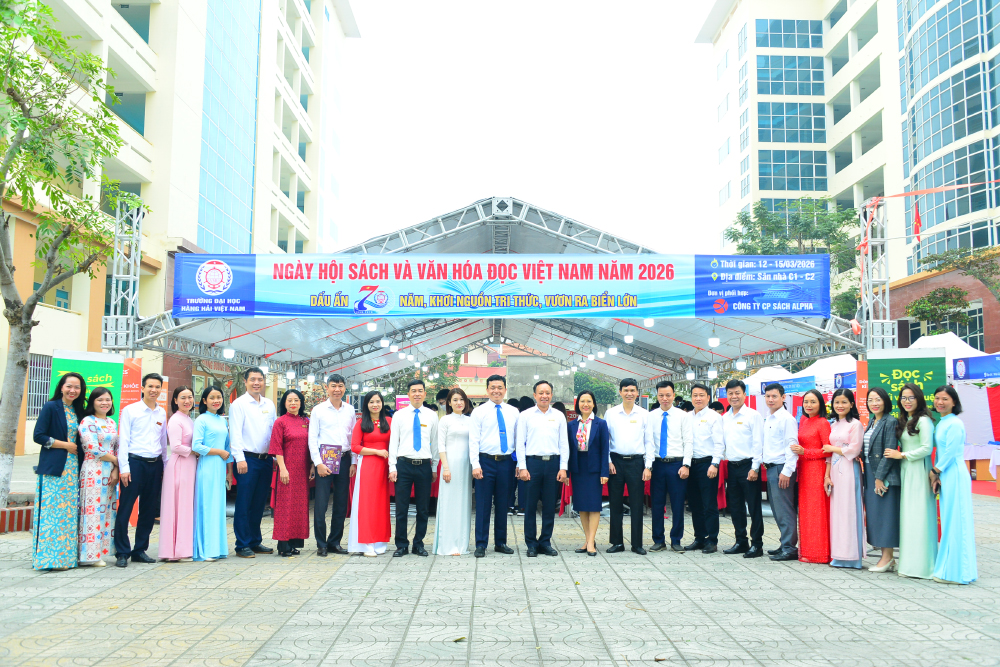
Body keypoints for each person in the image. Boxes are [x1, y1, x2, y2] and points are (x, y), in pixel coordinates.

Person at [32, 372, 86, 571]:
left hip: (73, 468)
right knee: (51, 514)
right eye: (69, 386)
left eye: (77, 387)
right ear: (61, 387)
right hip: (54, 468)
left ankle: (66, 559)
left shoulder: (78, 411)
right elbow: (38, 436)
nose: (73, 390)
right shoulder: (51, 406)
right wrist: (65, 445)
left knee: (68, 513)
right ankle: (49, 559)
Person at [883, 383, 936, 579]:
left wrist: (902, 455)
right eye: (903, 398)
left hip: (918, 471)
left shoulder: (924, 421)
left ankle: (922, 567)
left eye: (911, 397)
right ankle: (909, 565)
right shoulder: (906, 420)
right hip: (906, 471)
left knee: (918, 517)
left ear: (919, 399)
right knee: (908, 518)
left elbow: (927, 448)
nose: (907, 401)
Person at [115, 373, 168, 568]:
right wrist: (124, 468)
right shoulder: (130, 410)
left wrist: (164, 466)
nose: (154, 390)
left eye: (157, 387)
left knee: (148, 510)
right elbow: (124, 440)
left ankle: (139, 550)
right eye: (150, 386)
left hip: (155, 464)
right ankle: (122, 552)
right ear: (143, 388)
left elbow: (163, 442)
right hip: (134, 463)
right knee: (126, 508)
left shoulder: (161, 413)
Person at [930, 385, 978, 585]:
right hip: (946, 474)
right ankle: (951, 568)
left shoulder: (955, 423)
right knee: (949, 520)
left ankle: (958, 572)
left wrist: (935, 470)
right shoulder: (943, 422)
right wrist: (938, 474)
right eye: (937, 398)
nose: (940, 402)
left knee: (957, 520)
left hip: (955, 474)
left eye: (945, 399)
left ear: (954, 402)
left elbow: (951, 452)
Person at [517, 380, 570, 557]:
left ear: (551, 395)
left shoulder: (559, 416)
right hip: (532, 463)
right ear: (535, 395)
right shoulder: (525, 415)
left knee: (549, 505)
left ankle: (545, 542)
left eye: (547, 393)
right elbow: (520, 443)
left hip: (553, 464)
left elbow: (564, 443)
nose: (544, 396)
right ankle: (531, 544)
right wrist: (522, 467)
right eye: (541, 393)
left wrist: (563, 468)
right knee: (530, 505)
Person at [389, 378, 440, 557]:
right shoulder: (399, 415)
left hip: (424, 466)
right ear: (408, 394)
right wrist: (392, 467)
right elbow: (393, 442)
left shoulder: (432, 415)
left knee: (423, 508)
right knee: (401, 508)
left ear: (425, 393)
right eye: (413, 391)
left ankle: (419, 544)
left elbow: (435, 443)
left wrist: (434, 467)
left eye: (420, 391)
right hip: (403, 465)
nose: (417, 394)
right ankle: (401, 544)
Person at [470, 375, 520, 557]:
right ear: (487, 390)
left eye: (499, 387)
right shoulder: (479, 412)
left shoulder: (514, 412)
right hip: (485, 462)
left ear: (505, 389)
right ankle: (481, 544)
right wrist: (475, 464)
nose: (496, 391)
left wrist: (519, 463)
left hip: (507, 463)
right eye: (492, 387)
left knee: (502, 504)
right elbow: (473, 440)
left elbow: (519, 439)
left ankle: (500, 542)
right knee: (483, 504)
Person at [308, 374, 357, 556]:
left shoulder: (350, 410)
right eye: (334, 386)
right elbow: (312, 439)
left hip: (344, 458)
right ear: (327, 388)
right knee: (321, 504)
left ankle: (334, 542)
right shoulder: (318, 410)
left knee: (341, 503)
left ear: (345, 388)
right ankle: (321, 543)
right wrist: (318, 463)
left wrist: (353, 461)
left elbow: (353, 437)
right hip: (325, 459)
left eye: (340, 386)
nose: (337, 389)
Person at [229, 367, 277, 558]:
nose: (256, 383)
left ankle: (255, 541)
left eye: (260, 379)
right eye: (253, 379)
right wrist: (239, 459)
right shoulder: (239, 404)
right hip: (247, 460)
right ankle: (242, 544)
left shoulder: (269, 404)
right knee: (244, 503)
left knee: (259, 503)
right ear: (245, 381)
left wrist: (275, 457)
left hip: (266, 460)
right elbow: (235, 433)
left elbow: (273, 432)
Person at [604, 378, 653, 555]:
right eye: (626, 390)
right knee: (615, 503)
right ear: (620, 392)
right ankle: (617, 542)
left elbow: (649, 441)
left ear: (637, 393)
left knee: (637, 504)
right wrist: (608, 461)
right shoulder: (611, 413)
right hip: (615, 462)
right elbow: (605, 440)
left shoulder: (644, 414)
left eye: (632, 390)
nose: (629, 393)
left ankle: (637, 544)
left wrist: (648, 466)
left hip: (637, 463)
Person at [720, 379, 765, 558]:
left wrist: (755, 468)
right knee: (736, 506)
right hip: (732, 466)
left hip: (749, 466)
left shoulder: (753, 415)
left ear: (744, 394)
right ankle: (741, 541)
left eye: (737, 393)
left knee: (754, 506)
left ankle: (757, 544)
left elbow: (758, 443)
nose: (734, 396)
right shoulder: (725, 418)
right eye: (730, 393)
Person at [647, 380, 692, 552]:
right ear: (657, 396)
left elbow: (688, 441)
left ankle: (676, 539)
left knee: (677, 504)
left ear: (673, 395)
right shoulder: (651, 416)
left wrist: (686, 464)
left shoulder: (683, 416)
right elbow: (649, 442)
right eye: (661, 395)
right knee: (657, 504)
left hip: (676, 464)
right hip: (657, 464)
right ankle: (658, 540)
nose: (664, 398)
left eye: (668, 395)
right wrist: (648, 466)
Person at [348, 390, 393, 556]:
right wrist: (376, 451)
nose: (375, 405)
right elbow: (354, 446)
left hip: (385, 467)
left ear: (382, 403)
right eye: (371, 402)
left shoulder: (389, 421)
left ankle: (379, 542)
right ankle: (366, 544)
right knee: (367, 504)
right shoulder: (361, 423)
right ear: (366, 405)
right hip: (368, 466)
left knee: (381, 505)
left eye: (378, 401)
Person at [78, 387, 119, 567]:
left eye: (107, 399)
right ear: (92, 402)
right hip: (93, 471)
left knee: (106, 512)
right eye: (100, 399)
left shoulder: (111, 422)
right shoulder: (87, 421)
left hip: (110, 472)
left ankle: (101, 552)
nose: (104, 403)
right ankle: (89, 555)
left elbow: (116, 446)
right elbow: (92, 448)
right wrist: (116, 461)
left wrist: (116, 469)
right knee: (92, 512)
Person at [270, 389, 313, 557]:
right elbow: (276, 447)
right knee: (285, 506)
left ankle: (295, 543)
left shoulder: (306, 421)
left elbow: (311, 445)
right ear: (284, 403)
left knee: (299, 507)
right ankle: (283, 545)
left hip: (303, 470)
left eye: (296, 400)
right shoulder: (280, 422)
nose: (293, 403)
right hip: (287, 470)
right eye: (289, 400)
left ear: (301, 403)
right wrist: (282, 468)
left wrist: (311, 465)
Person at [861, 387, 900, 572]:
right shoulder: (872, 421)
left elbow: (889, 452)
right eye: (870, 400)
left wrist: (879, 477)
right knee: (876, 516)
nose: (874, 403)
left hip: (883, 475)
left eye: (878, 399)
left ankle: (887, 557)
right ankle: (887, 558)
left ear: (885, 401)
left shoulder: (890, 421)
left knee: (885, 516)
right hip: (869, 473)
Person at [192, 386, 233, 561]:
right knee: (208, 507)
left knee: (218, 508)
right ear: (204, 401)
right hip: (207, 467)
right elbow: (196, 446)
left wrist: (229, 472)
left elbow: (228, 447)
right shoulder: (201, 420)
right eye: (212, 397)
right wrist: (218, 452)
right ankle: (206, 550)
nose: (216, 400)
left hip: (221, 468)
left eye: (219, 397)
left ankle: (219, 548)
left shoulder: (222, 420)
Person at [791, 389, 832, 564]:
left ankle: (820, 553)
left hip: (817, 469)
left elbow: (827, 450)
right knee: (806, 512)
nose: (809, 405)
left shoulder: (823, 423)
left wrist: (805, 452)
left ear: (820, 404)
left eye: (813, 402)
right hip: (804, 470)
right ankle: (807, 550)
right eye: (806, 401)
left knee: (817, 511)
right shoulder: (803, 420)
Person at [825, 388, 864, 569]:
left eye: (844, 402)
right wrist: (826, 475)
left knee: (849, 510)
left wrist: (833, 449)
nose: (840, 406)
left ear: (851, 404)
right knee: (837, 512)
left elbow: (855, 449)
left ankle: (852, 556)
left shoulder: (855, 425)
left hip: (848, 470)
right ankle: (838, 554)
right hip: (834, 470)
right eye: (837, 402)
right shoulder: (833, 425)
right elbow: (827, 454)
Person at [567, 390, 609, 556]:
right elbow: (568, 449)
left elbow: (605, 449)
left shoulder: (601, 424)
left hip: (594, 469)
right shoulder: (571, 425)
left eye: (589, 401)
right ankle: (587, 539)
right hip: (578, 469)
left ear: (593, 404)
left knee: (594, 506)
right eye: (582, 401)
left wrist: (604, 472)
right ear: (578, 404)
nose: (585, 404)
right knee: (581, 506)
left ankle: (591, 542)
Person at [761, 383, 800, 561]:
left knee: (784, 509)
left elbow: (791, 446)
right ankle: (784, 543)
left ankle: (789, 547)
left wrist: (787, 471)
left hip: (781, 468)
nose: (770, 400)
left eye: (774, 396)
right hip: (771, 468)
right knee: (777, 509)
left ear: (783, 398)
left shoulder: (786, 419)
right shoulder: (769, 417)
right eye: (768, 396)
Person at [433, 387, 474, 555]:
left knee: (463, 504)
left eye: (461, 399)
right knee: (449, 503)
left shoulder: (470, 420)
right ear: (449, 403)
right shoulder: (445, 420)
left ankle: (461, 544)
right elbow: (441, 446)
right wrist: (446, 468)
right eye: (455, 400)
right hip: (450, 466)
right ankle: (447, 544)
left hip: (466, 466)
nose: (459, 403)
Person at [159, 386, 197, 562]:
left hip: (188, 464)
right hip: (180, 465)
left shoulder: (188, 419)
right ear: (175, 400)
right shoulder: (175, 419)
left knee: (185, 506)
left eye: (190, 397)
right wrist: (195, 451)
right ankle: (177, 551)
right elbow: (175, 446)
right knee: (179, 506)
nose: (187, 401)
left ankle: (181, 548)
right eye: (183, 397)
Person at [684, 384, 724, 554]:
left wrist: (715, 464)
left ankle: (712, 540)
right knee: (695, 504)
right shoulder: (687, 417)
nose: (698, 398)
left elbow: (719, 443)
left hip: (707, 464)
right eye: (695, 395)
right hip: (690, 464)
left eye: (701, 395)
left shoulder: (714, 417)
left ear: (708, 397)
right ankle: (699, 538)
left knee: (709, 504)